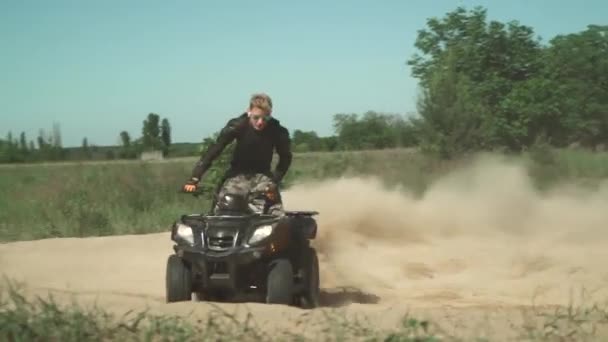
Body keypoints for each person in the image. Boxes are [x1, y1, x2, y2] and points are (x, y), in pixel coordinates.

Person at [183, 93, 292, 215]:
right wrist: (195, 177)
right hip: (237, 176)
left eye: (265, 118)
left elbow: (286, 158)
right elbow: (215, 150)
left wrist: (274, 182)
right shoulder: (237, 125)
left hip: (264, 177)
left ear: (270, 115)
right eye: (256, 118)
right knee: (222, 209)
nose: (260, 122)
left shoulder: (277, 130)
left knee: (276, 214)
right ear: (249, 112)